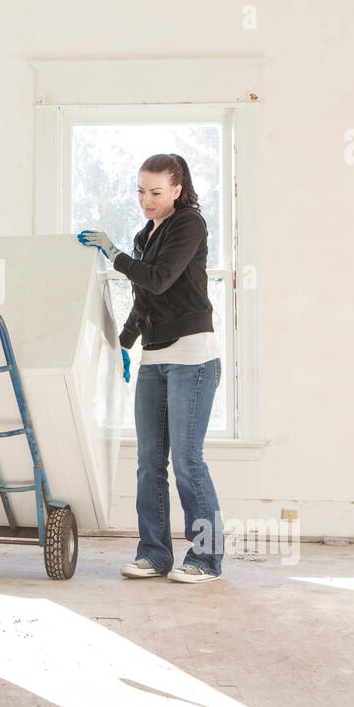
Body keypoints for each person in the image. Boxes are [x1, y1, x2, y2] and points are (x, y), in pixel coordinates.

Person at [78, 153, 224, 583]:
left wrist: (113, 252)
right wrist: (122, 344)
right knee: (148, 462)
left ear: (177, 190)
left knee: (188, 462)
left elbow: (158, 278)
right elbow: (146, 300)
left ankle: (207, 558)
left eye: (156, 192)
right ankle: (154, 555)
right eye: (141, 191)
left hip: (193, 357)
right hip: (155, 359)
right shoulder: (147, 233)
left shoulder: (188, 225)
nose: (146, 200)